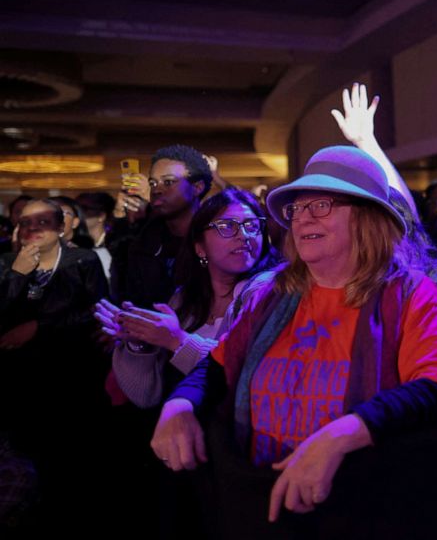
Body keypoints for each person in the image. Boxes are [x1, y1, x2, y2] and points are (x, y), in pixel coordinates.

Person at [150, 145, 437, 526]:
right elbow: (216, 368)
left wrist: (341, 434)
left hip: (361, 510)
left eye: (322, 205)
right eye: (298, 208)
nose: (301, 219)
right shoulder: (272, 294)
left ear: (368, 217)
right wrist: (178, 406)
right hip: (261, 506)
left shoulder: (411, 294)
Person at [97, 188, 279, 408]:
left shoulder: (269, 290)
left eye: (252, 226)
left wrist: (176, 340)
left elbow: (247, 371)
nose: (244, 235)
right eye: (227, 226)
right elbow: (146, 397)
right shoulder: (184, 299)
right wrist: (139, 342)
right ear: (200, 248)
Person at [0, 199, 110, 532]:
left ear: (61, 227)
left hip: (71, 375)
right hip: (19, 381)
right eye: (25, 221)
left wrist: (40, 327)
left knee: (67, 466)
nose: (31, 228)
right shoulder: (6, 262)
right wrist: (17, 275)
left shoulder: (82, 261)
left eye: (42, 221)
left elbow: (98, 311)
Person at [114, 144, 213, 307]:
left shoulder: (215, 238)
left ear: (197, 188)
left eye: (168, 182)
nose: (156, 190)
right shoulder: (144, 242)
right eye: (152, 183)